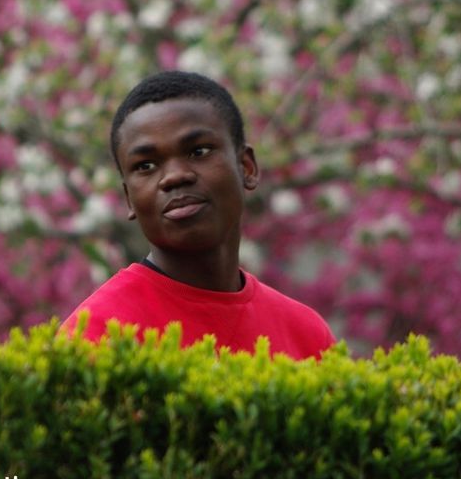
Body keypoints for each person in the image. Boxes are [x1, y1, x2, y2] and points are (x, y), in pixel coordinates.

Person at [62, 71, 336, 360]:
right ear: (129, 198)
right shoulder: (95, 337)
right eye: (145, 166)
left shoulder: (307, 334)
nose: (175, 176)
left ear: (246, 167)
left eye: (198, 151)